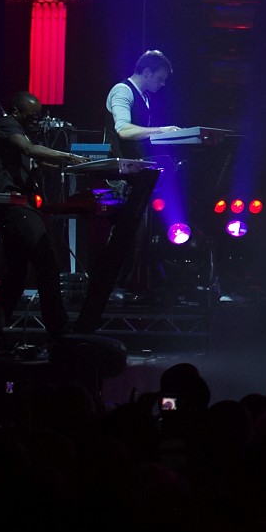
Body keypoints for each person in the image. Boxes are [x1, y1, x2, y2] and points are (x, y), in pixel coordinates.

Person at [78, 50, 180, 332]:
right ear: (146, 72)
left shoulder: (144, 97)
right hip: (118, 176)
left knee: (136, 236)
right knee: (124, 235)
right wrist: (162, 131)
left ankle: (123, 288)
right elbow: (123, 130)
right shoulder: (122, 91)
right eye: (160, 78)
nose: (162, 84)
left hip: (134, 174)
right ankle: (105, 292)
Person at [0, 91, 89, 346]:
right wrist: (69, 156)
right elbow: (29, 150)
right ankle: (59, 330)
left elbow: (33, 162)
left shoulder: (20, 129)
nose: (36, 122)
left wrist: (73, 166)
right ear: (17, 112)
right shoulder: (7, 124)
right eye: (32, 117)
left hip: (19, 203)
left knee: (16, 275)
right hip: (12, 204)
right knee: (46, 264)